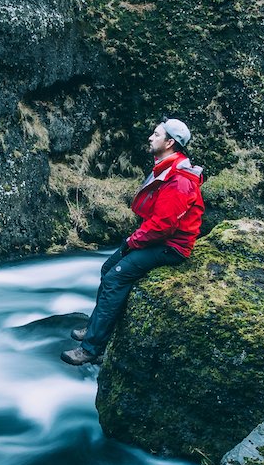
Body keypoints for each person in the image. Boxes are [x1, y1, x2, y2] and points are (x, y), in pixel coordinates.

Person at [62, 118, 204, 366]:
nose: (150, 137)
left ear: (170, 143)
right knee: (108, 268)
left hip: (172, 247)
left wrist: (132, 242)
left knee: (116, 277)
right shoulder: (166, 168)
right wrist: (133, 241)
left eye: (156, 134)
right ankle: (96, 326)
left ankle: (91, 348)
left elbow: (163, 226)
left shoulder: (179, 179)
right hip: (159, 239)